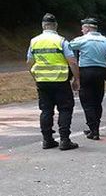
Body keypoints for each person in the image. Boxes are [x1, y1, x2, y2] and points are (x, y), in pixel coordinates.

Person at [27, 13, 80, 150]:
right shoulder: (61, 41)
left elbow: (29, 62)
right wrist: (76, 79)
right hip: (60, 80)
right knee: (65, 109)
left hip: (42, 81)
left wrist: (35, 76)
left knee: (46, 110)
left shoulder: (34, 41)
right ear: (55, 25)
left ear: (43, 26)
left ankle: (47, 140)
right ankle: (64, 140)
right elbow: (72, 62)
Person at [70, 18, 106, 140]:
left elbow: (67, 48)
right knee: (97, 101)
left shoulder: (82, 40)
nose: (81, 30)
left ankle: (93, 130)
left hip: (86, 72)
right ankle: (95, 127)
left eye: (83, 28)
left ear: (87, 28)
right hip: (100, 72)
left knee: (87, 102)